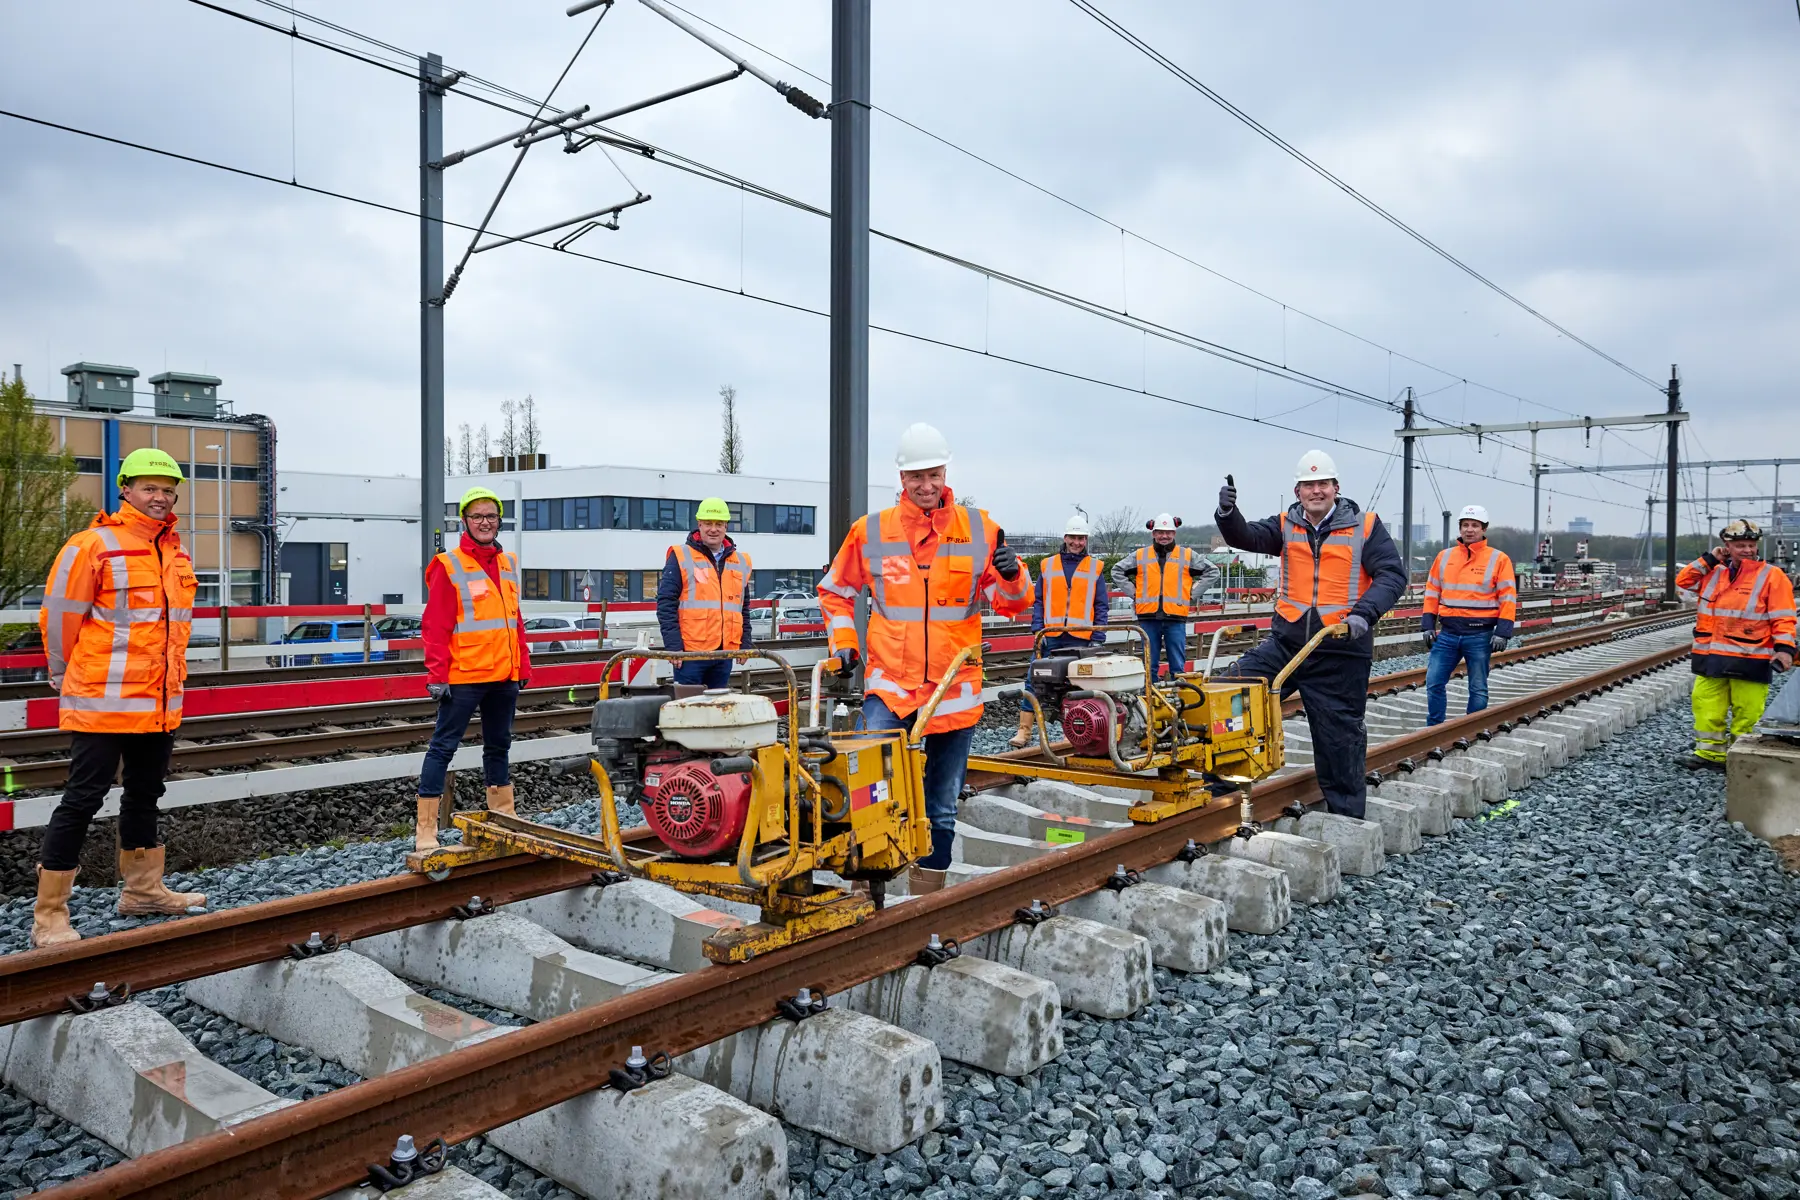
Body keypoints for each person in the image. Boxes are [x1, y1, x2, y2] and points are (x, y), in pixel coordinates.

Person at [818, 422, 1035, 893]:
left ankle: (925, 904)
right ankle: (866, 893)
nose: (926, 485)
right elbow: (835, 592)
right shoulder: (869, 532)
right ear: (902, 478)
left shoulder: (981, 530)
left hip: (951, 693)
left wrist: (1014, 576)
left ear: (945, 472)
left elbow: (1013, 604)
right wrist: (844, 644)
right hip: (889, 689)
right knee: (868, 791)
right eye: (916, 476)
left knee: (940, 802)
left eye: (933, 474)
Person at [32, 447, 206, 947]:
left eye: (168, 489)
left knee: (146, 794)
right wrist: (62, 672)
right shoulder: (92, 544)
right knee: (82, 800)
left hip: (159, 703)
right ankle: (49, 916)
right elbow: (60, 615)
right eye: (150, 487)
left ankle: (144, 891)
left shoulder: (175, 551)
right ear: (125, 490)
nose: (160, 497)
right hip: (101, 701)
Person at [1214, 450, 1407, 818]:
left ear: (1336, 488)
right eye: (1308, 485)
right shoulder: (1286, 524)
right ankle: (1219, 791)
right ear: (1297, 491)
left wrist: (1364, 614)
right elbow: (1247, 537)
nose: (1315, 491)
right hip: (1287, 644)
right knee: (1231, 696)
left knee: (1339, 737)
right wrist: (1227, 515)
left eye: (1322, 484)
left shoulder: (1365, 526)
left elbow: (1391, 575)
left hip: (1339, 648)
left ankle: (1347, 818)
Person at [416, 486, 532, 851]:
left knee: (499, 746)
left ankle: (504, 817)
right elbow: (435, 626)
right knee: (442, 748)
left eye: (491, 516)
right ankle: (426, 832)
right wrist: (436, 675)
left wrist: (522, 663)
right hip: (464, 677)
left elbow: (516, 620)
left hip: (503, 676)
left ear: (499, 521)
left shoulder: (508, 563)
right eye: (478, 516)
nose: (485, 522)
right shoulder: (448, 565)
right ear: (465, 521)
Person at [1674, 519, 1796, 770]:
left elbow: (1784, 617)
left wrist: (1785, 649)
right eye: (1740, 545)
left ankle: (1741, 758)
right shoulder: (1713, 572)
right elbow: (1683, 581)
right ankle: (1710, 755)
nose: (1748, 550)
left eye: (1751, 544)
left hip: (1751, 657)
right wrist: (1708, 559)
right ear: (1726, 546)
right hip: (1710, 656)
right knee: (1706, 705)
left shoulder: (1773, 576)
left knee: (1747, 711)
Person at [1015, 512, 1111, 747]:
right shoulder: (1048, 565)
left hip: (1082, 639)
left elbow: (1101, 604)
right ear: (1065, 538)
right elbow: (1039, 601)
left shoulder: (1095, 567)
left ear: (1086, 540)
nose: (1077, 543)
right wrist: (1038, 630)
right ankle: (1024, 731)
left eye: (1082, 538)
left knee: (1080, 685)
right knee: (1033, 681)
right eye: (1073, 537)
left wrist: (1098, 636)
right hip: (1051, 636)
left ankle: (1081, 730)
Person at [1420, 504, 1518, 726]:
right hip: (1448, 634)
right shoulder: (1444, 557)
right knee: (1434, 682)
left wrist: (1503, 632)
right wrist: (1427, 625)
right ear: (1460, 528)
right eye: (1465, 525)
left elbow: (1508, 598)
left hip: (1480, 635)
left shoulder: (1498, 559)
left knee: (1478, 687)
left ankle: (1471, 728)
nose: (1469, 530)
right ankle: (1434, 728)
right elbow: (1432, 592)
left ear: (1484, 529)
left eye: (1475, 525)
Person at [656, 496, 753, 690]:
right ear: (699, 524)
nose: (713, 529)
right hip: (691, 654)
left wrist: (745, 644)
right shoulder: (681, 555)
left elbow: (743, 608)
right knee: (688, 708)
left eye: (719, 524)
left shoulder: (740, 561)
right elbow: (666, 603)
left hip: (724, 653)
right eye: (708, 523)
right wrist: (674, 646)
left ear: (726, 526)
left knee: (717, 708)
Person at [1111, 513, 1219, 679]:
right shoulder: (1140, 555)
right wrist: (1134, 594)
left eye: (1168, 532)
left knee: (1177, 667)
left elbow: (1213, 571)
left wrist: (1192, 595)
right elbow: (1116, 570)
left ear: (1174, 533)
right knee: (1149, 665)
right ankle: (1150, 698)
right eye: (1160, 532)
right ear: (1153, 533)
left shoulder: (1187, 555)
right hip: (1148, 618)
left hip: (1175, 617)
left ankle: (1178, 698)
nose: (1164, 536)